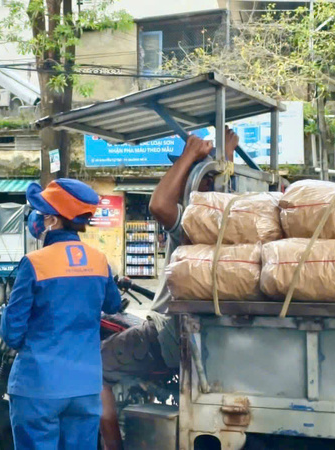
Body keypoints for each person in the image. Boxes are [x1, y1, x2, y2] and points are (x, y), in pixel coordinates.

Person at [99, 129, 239, 450]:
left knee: (95, 367)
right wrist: (225, 155)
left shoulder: (196, 220)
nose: (181, 180)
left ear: (203, 182)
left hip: (169, 336)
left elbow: (159, 205)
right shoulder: (227, 218)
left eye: (188, 174)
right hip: (197, 337)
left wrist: (191, 154)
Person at [1, 178, 123, 450]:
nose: (39, 219)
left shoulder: (34, 263)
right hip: (85, 388)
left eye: (43, 214)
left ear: (54, 220)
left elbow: (12, 333)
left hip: (39, 387)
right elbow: (113, 304)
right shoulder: (99, 260)